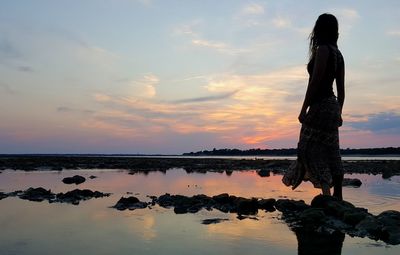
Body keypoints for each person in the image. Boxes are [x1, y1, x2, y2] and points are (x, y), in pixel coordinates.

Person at [283, 13, 345, 200]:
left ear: (319, 30)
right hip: (332, 105)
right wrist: (339, 112)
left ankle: (326, 193)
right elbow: (341, 90)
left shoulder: (323, 50)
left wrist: (303, 109)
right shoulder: (339, 54)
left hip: (320, 104)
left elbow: (315, 82)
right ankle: (338, 196)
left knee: (307, 147)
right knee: (332, 149)